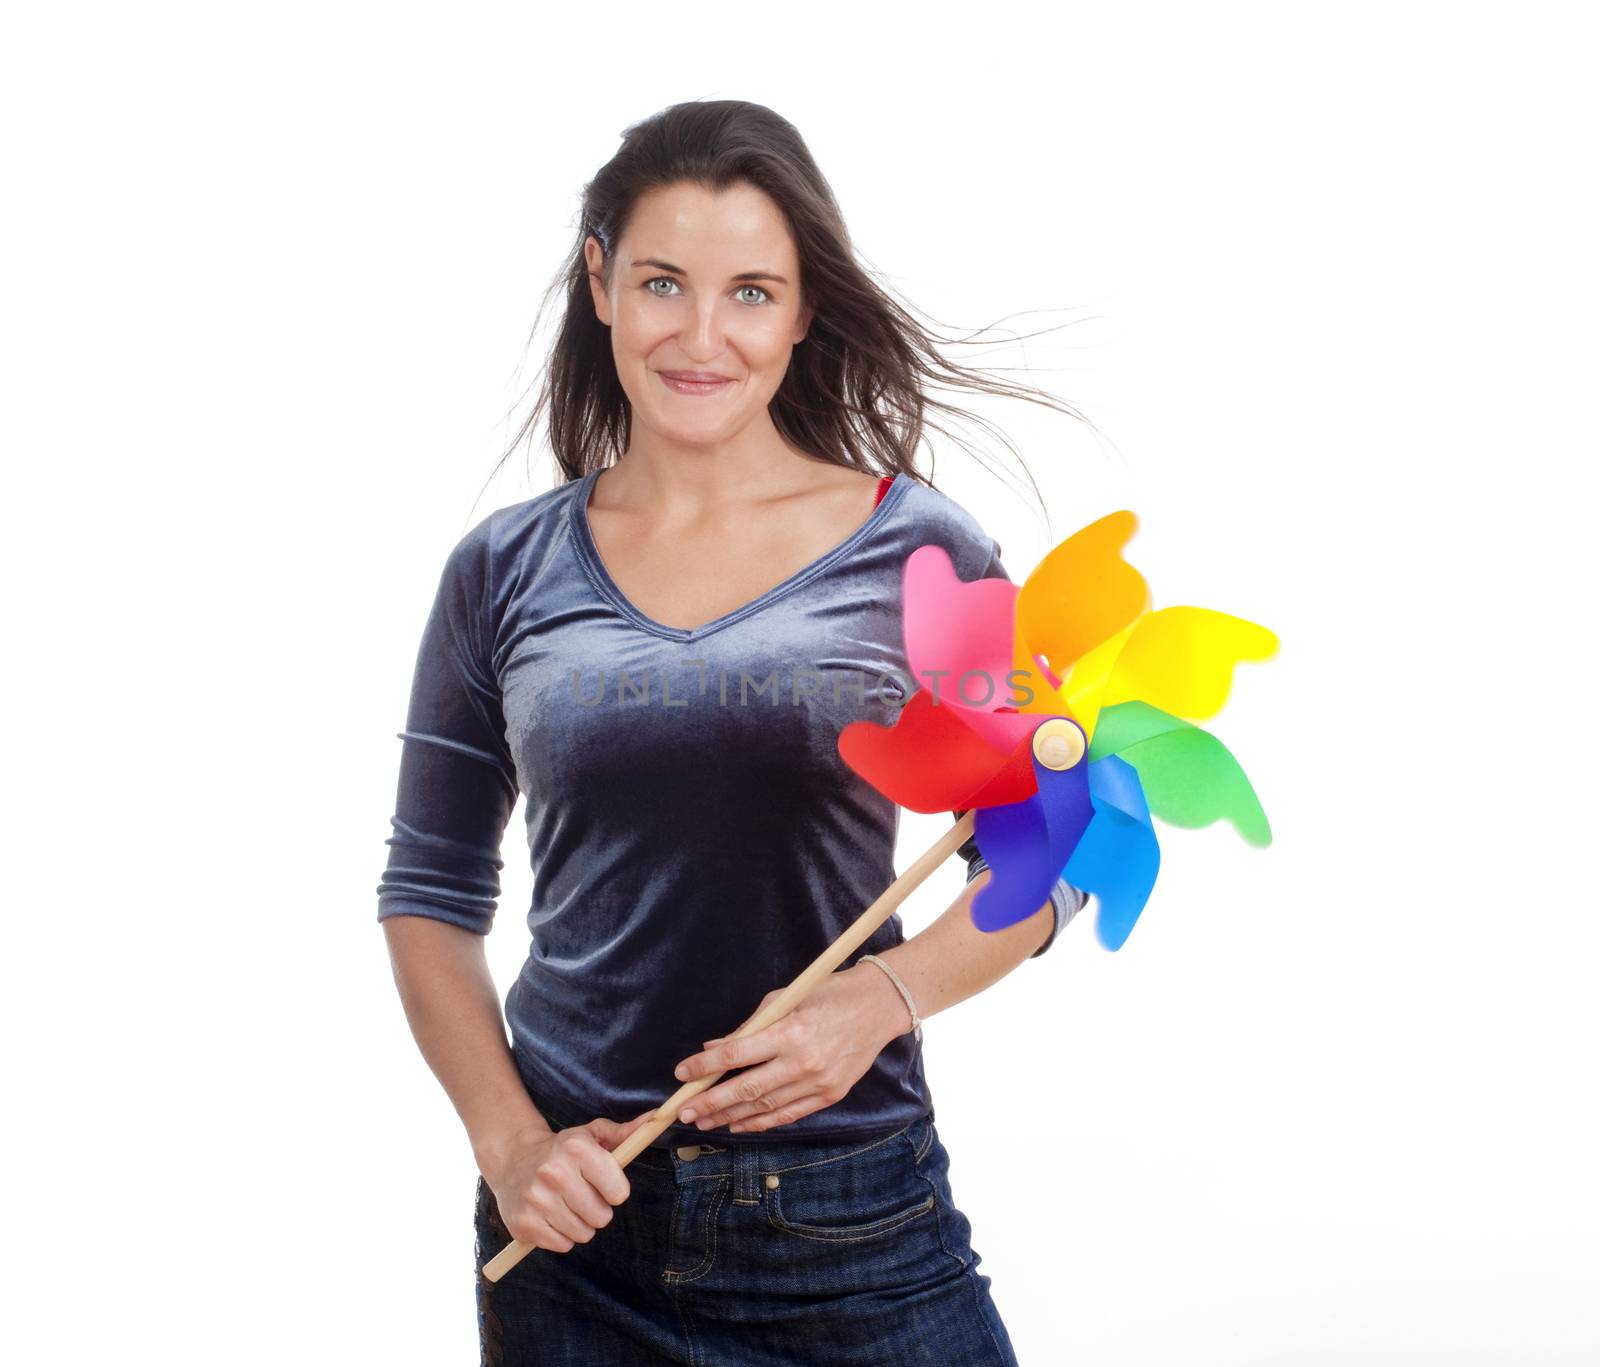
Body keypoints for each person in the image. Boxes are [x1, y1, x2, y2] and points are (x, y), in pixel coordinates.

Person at [376, 99, 1089, 1366]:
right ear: (599, 283)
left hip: (851, 1221)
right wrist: (509, 1141)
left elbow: (1044, 849)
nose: (702, 336)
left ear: (805, 309)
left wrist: (878, 998)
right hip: (571, 1233)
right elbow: (429, 891)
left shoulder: (917, 547)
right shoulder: (500, 569)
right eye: (662, 282)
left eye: (751, 291)